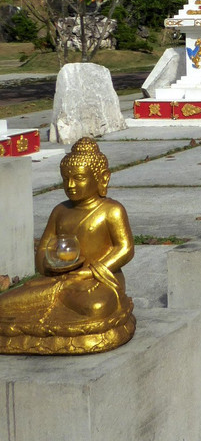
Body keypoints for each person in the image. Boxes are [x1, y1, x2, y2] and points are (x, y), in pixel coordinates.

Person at [0, 138, 135, 355]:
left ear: (101, 178)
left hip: (98, 281)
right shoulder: (60, 211)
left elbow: (125, 248)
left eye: (79, 178)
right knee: (4, 305)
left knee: (96, 307)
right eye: (66, 179)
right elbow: (44, 248)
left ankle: (41, 328)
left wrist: (89, 272)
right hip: (58, 280)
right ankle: (50, 327)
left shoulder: (111, 210)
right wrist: (50, 265)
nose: (71, 185)